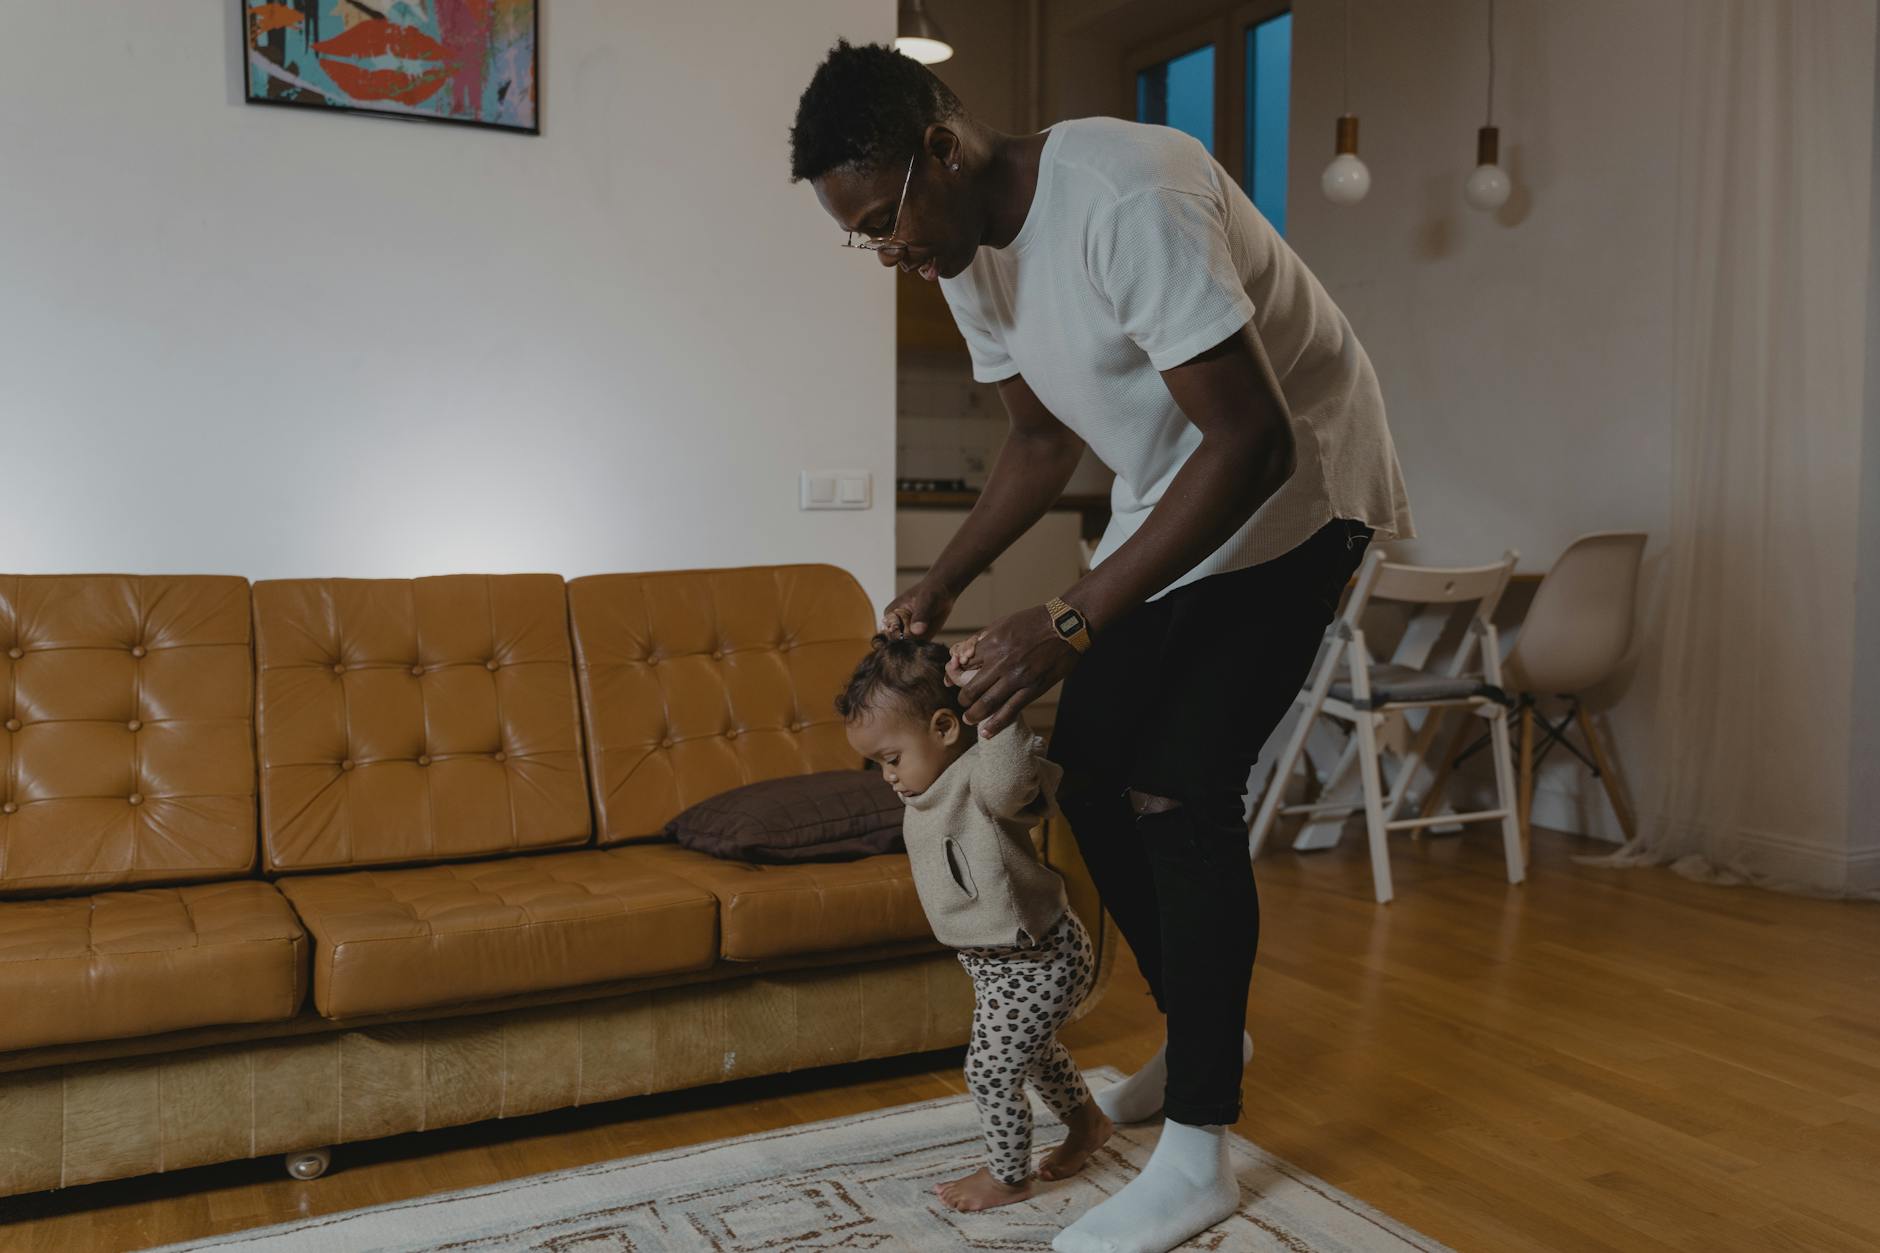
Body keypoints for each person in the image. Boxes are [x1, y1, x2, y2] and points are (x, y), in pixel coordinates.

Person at [791, 40, 1411, 1253]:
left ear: (939, 150)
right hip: (1173, 496)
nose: (887, 255)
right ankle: (1200, 1030)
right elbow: (1035, 442)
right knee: (1090, 756)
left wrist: (1070, 616)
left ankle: (1197, 1152)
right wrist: (947, 579)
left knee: (1176, 778)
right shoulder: (963, 252)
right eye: (861, 237)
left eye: (882, 224)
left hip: (1296, 494)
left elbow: (1253, 442)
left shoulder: (1128, 193)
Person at [838, 635, 1111, 1212]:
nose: (887, 776)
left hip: (1039, 960)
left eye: (892, 758)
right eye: (878, 763)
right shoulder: (928, 789)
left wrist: (993, 708)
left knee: (990, 1072)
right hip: (995, 966)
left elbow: (1013, 780)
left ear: (944, 728)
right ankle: (1088, 1126)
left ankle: (1009, 1177)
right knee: (1033, 1054)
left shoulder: (983, 782)